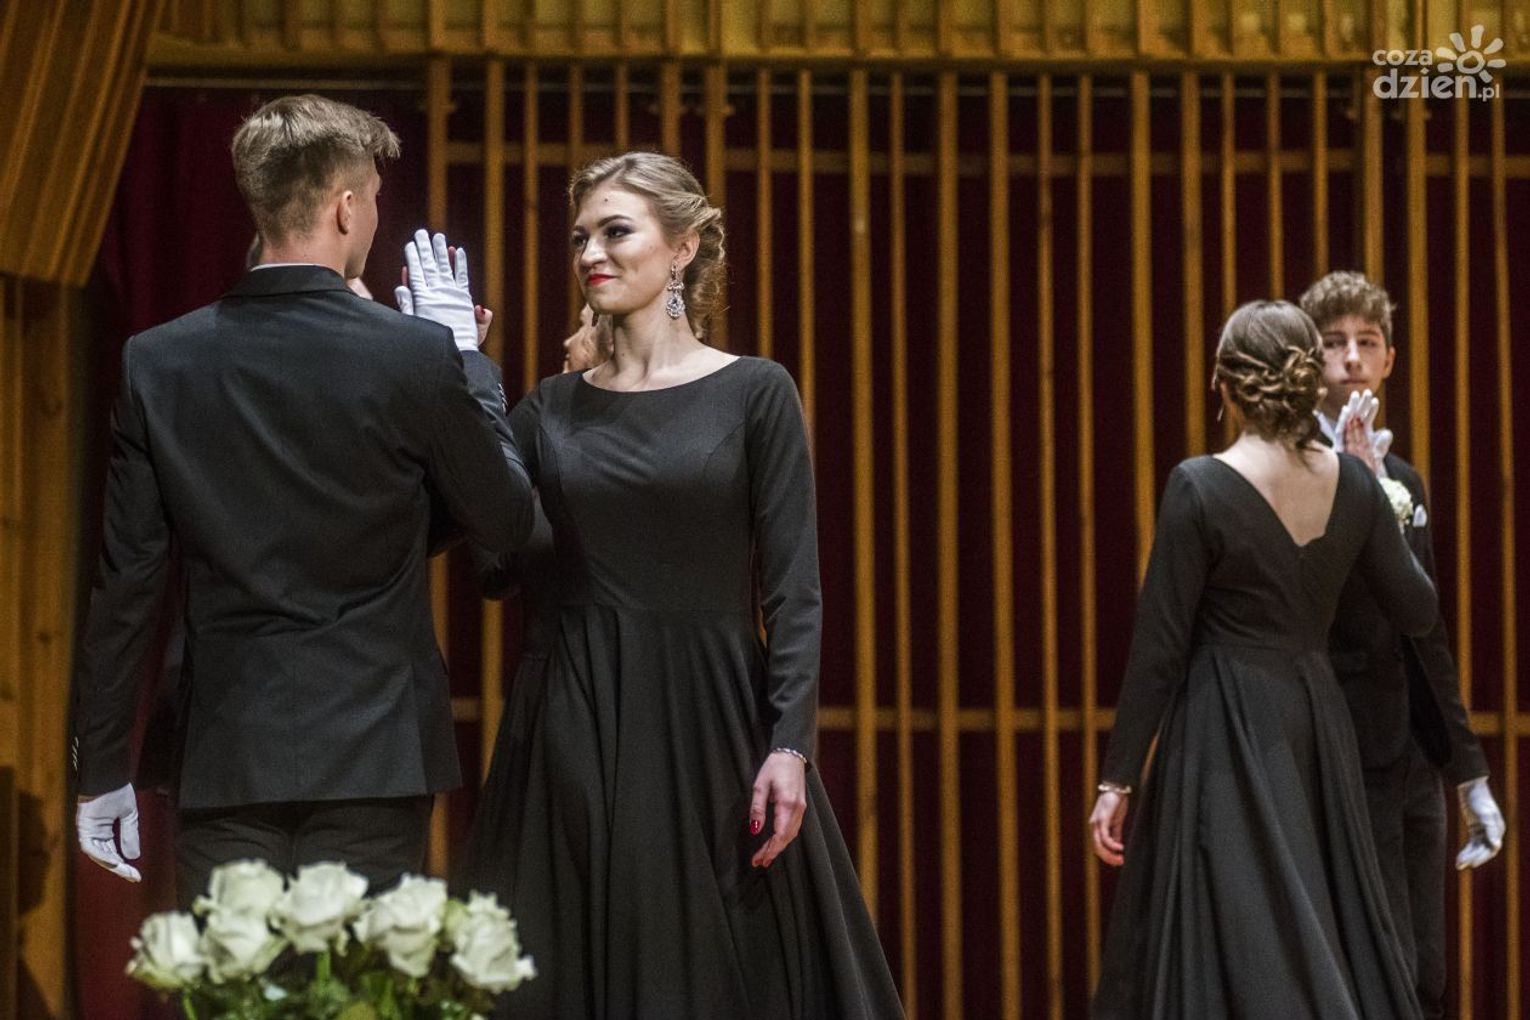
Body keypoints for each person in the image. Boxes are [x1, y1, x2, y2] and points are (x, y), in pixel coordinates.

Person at [459, 152, 903, 1018]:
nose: (591, 252)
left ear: (683, 247)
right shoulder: (547, 407)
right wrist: (467, 383)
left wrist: (789, 746)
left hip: (709, 718)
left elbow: (794, 591)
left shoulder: (755, 392)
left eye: (616, 231)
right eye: (580, 236)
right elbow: (497, 566)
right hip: (572, 713)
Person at [70, 94, 535, 908]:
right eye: (375, 199)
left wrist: (101, 769)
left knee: (234, 978)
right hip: (376, 754)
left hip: (224, 753)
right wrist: (468, 366)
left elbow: (126, 584)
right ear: (346, 207)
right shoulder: (416, 355)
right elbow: (505, 520)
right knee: (359, 978)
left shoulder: (158, 361)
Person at [1088, 300, 1437, 1018]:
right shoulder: (1355, 484)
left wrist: (1118, 779)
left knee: (1233, 938)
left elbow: (1159, 648)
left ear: (1225, 385)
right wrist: (1378, 492)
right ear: (1307, 381)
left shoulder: (1198, 485)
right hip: (1318, 728)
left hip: (1222, 728)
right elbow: (1419, 610)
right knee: (1322, 920)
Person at [1300, 270, 1505, 1018]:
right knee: (1375, 969)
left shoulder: (1405, 480)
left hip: (1415, 750)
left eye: (1368, 342)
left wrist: (1468, 771)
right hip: (1344, 748)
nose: (1352, 358)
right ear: (1308, 363)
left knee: (1427, 973)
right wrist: (1355, 492)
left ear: (1390, 359)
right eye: (1334, 344)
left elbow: (1426, 627)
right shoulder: (1290, 473)